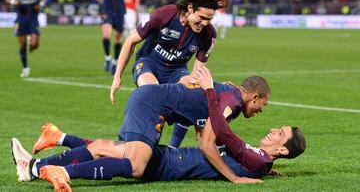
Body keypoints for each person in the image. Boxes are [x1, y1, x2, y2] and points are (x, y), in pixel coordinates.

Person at [13, 73, 271, 185]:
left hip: (148, 99)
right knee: (136, 166)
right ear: (255, 96)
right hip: (152, 105)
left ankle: (34, 167)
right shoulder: (234, 102)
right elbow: (206, 145)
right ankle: (63, 172)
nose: (261, 110)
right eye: (263, 104)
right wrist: (235, 177)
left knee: (110, 150)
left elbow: (201, 126)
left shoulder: (226, 93)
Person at [11, 124, 305, 190]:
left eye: (279, 133)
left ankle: (52, 169)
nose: (272, 130)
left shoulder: (259, 159)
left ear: (282, 150)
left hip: (175, 165)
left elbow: (223, 142)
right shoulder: (258, 159)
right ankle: (36, 167)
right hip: (176, 157)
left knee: (120, 159)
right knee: (102, 144)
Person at [110, 0, 230, 148]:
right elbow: (131, 41)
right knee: (151, 93)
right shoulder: (163, 15)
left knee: (192, 90)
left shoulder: (209, 35)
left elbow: (198, 71)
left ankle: (173, 147)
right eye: (202, 18)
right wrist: (117, 75)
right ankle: (124, 141)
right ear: (190, 8)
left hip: (176, 70)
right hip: (148, 63)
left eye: (209, 19)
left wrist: (197, 111)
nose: (205, 23)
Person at [6, 0, 45, 77]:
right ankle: (25, 67)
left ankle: (30, 44)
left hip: (33, 17)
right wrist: (14, 2)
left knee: (34, 45)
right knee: (22, 44)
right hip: (21, 17)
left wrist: (41, 4)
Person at [94, 0, 128, 74]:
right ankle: (108, 58)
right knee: (106, 35)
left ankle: (115, 62)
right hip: (107, 13)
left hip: (119, 14)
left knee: (118, 39)